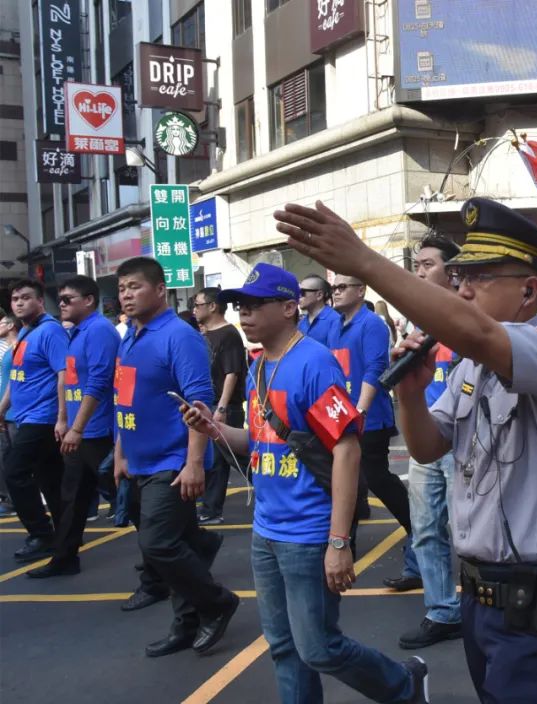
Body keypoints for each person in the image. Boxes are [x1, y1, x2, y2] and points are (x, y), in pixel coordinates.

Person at [275, 197, 537, 703]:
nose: (463, 290)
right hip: (481, 592)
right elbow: (428, 446)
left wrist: (363, 260)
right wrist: (409, 391)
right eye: (460, 278)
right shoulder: (473, 367)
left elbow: (475, 331)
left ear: (529, 289)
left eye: (480, 278)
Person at [182, 263, 429, 704]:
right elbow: (256, 441)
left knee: (318, 647)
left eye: (256, 304)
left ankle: (402, 684)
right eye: (241, 305)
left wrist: (338, 541)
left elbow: (346, 449)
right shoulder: (260, 367)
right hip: (267, 530)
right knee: (284, 649)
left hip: (309, 534)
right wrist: (213, 427)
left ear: (290, 307)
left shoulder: (313, 363)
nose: (245, 313)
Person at [113, 257, 239, 657]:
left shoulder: (178, 336)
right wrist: (120, 454)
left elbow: (197, 404)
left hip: (171, 462)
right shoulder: (131, 337)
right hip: (138, 461)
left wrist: (194, 463)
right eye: (121, 289)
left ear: (160, 289)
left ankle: (218, 602)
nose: (127, 295)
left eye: (134, 286)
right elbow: (124, 401)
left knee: (158, 545)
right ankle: (185, 623)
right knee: (175, 542)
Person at [27, 276, 120, 578]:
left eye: (68, 299)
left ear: (89, 300)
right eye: (60, 299)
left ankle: (188, 547)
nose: (61, 304)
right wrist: (64, 420)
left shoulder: (100, 331)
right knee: (72, 498)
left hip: (98, 431)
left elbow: (98, 381)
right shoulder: (75, 333)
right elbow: (70, 381)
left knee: (126, 497)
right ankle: (64, 558)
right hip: (80, 431)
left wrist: (77, 428)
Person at [330, 274, 418, 587]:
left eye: (342, 287)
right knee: (346, 481)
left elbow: (375, 368)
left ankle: (419, 533)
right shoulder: (336, 325)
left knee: (377, 478)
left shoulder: (372, 325)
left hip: (370, 418)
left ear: (360, 290)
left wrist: (361, 411)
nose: (336, 292)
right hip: (341, 417)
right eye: (334, 288)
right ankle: (345, 545)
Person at [399, 231, 464, 651]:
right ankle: (442, 610)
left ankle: (482, 606)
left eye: (428, 265)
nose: (419, 271)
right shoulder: (414, 319)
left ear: (452, 271)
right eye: (416, 265)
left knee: (470, 530)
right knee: (425, 529)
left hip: (464, 441)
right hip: (425, 439)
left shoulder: (469, 315)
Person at [0, 279, 68, 563]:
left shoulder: (50, 331)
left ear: (40, 301)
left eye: (25, 298)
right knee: (50, 480)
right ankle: (65, 535)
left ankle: (41, 534)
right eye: (15, 298)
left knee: (14, 472)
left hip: (43, 418)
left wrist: (63, 418)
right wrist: (2, 409)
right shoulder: (26, 332)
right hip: (25, 416)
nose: (19, 303)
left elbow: (64, 374)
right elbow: (16, 381)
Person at [193, 287, 249, 525]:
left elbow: (232, 372)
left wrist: (223, 407)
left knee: (230, 458)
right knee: (221, 458)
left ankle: (211, 509)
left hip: (225, 406)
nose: (195, 309)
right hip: (213, 404)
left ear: (212, 306)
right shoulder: (205, 334)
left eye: (198, 304)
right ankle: (210, 508)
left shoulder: (228, 335)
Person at [0, 315, 19, 517]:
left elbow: (15, 383)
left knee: (15, 459)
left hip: (14, 413)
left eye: (1, 323)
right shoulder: (7, 351)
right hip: (5, 411)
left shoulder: (16, 349)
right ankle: (10, 499)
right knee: (5, 456)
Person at [298, 275, 340, 348]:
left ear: (319, 295)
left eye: (302, 292)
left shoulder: (336, 321)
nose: (298, 296)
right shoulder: (301, 323)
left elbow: (337, 355)